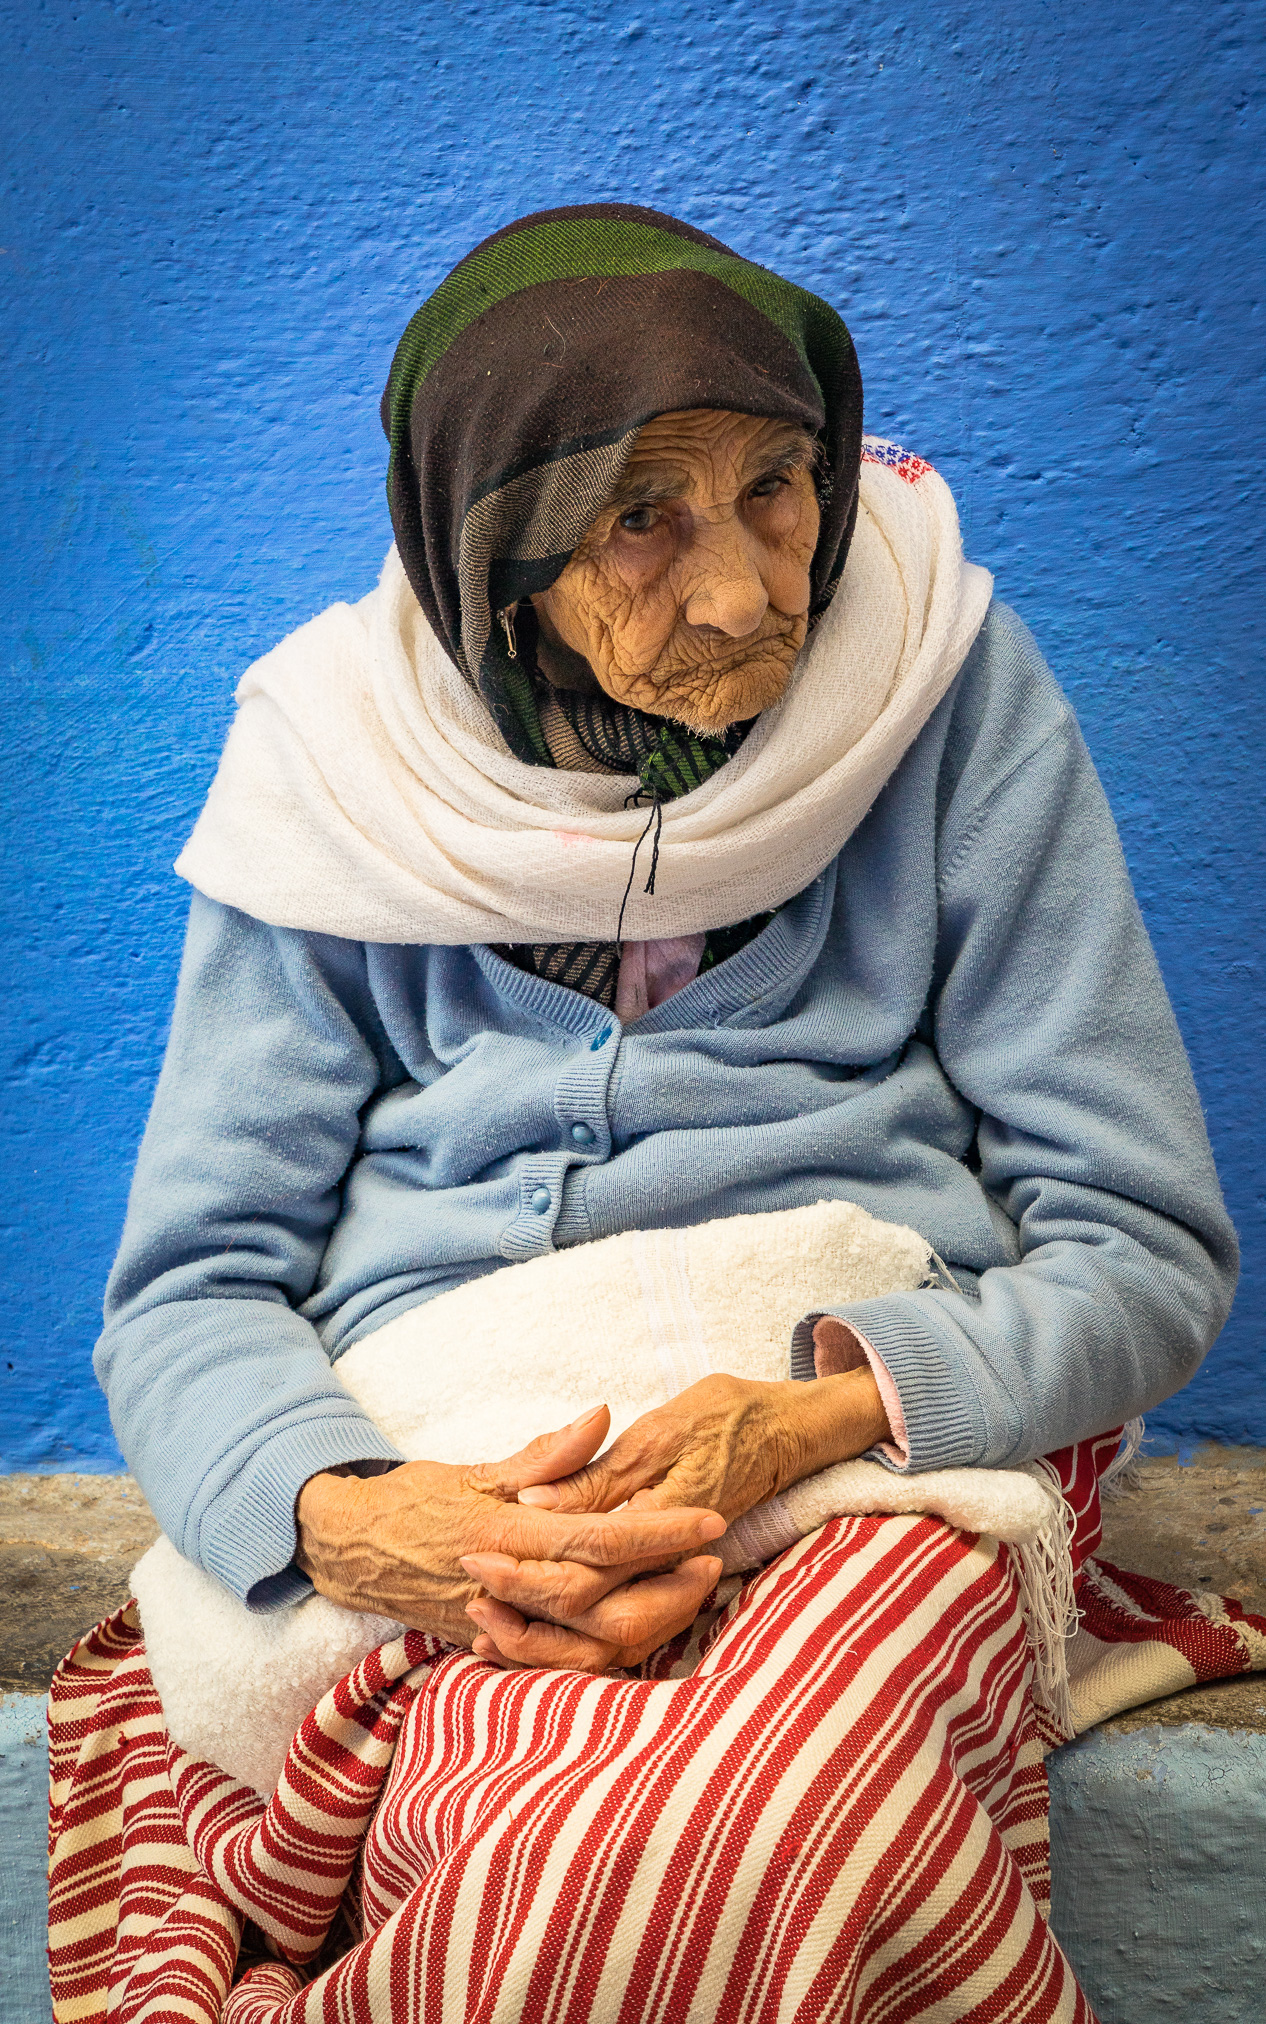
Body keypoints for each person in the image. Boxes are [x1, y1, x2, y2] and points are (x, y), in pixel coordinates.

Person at [48, 204, 1238, 2022]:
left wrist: (820, 1411)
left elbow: (1141, 1246)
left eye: (781, 488)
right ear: (493, 561)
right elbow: (191, 1290)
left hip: (874, 1448)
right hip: (471, 1475)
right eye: (641, 519)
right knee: (547, 1854)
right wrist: (387, 1524)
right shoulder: (332, 773)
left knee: (751, 1839)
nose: (752, 589)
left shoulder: (945, 694)